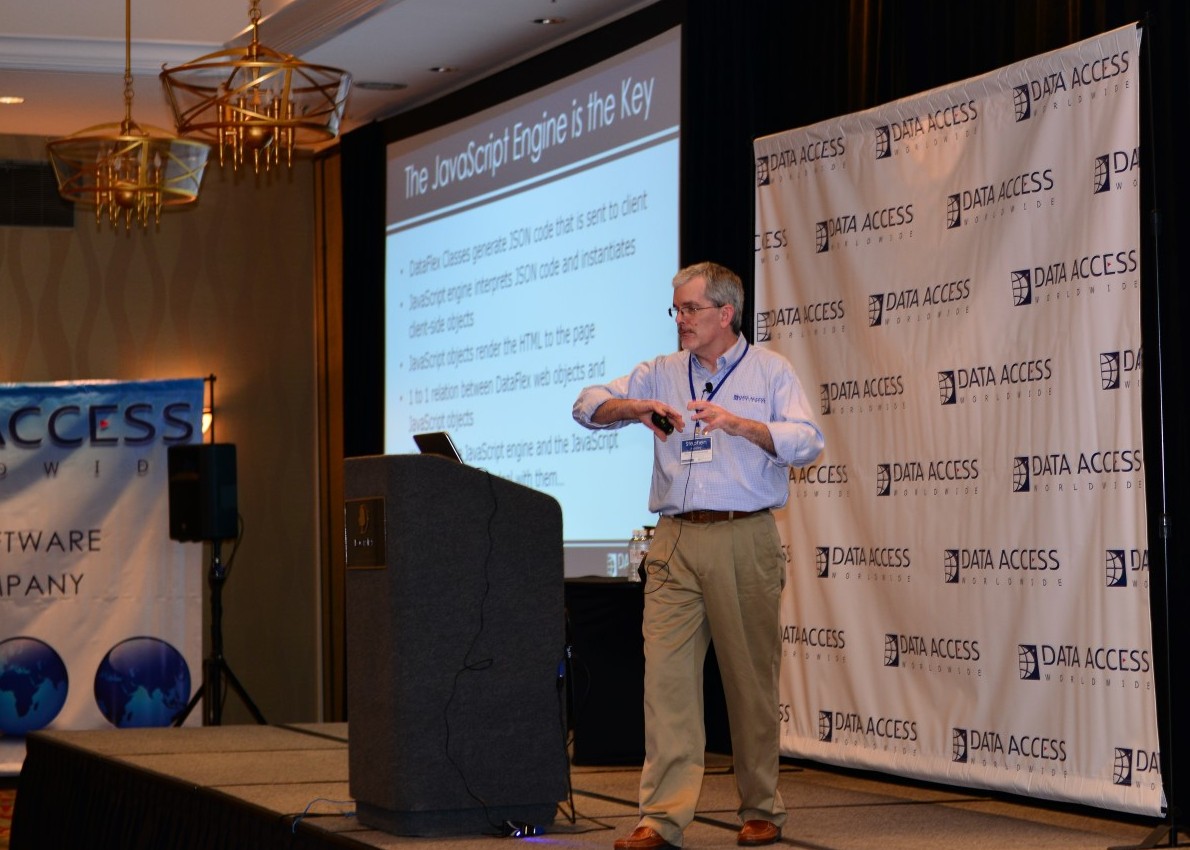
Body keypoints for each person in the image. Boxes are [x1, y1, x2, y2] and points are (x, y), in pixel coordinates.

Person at [572, 261, 824, 849]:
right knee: (666, 685)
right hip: (674, 541)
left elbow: (808, 442)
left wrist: (740, 424)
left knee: (749, 683)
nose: (680, 320)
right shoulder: (660, 372)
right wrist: (635, 408)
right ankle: (661, 817)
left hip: (744, 536)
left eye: (690, 309)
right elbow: (586, 405)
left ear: (725, 313)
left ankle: (761, 807)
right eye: (677, 309)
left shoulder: (770, 371)